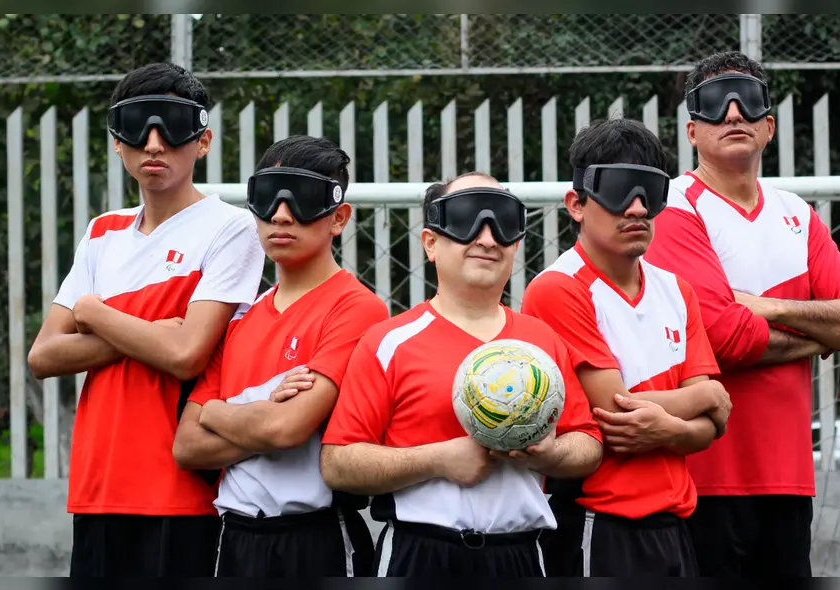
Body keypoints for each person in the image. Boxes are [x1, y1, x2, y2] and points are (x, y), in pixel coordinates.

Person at [643, 51, 840, 577]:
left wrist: (768, 306)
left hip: (790, 480)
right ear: (691, 130)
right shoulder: (674, 209)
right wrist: (824, 334)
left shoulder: (797, 213)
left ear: (768, 125)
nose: (733, 114)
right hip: (703, 479)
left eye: (748, 101)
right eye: (714, 103)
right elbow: (724, 338)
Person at [26, 62, 265, 577]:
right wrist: (150, 329)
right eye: (138, 128)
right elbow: (44, 356)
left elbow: (186, 356)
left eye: (173, 128)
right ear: (117, 143)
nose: (154, 143)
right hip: (97, 484)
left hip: (180, 489)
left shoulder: (231, 227)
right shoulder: (102, 231)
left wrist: (93, 315)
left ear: (202, 141)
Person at [318, 172, 604, 577]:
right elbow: (338, 464)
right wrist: (438, 459)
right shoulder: (388, 342)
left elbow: (589, 444)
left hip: (519, 556)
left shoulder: (542, 343)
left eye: (503, 224)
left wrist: (551, 453)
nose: (487, 239)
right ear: (430, 243)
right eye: (467, 217)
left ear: (516, 246)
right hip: (418, 555)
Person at [520, 117, 731, 577]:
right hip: (599, 525)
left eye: (649, 193)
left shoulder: (678, 290)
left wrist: (681, 423)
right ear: (576, 204)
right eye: (619, 191)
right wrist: (706, 397)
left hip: (676, 525)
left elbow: (712, 430)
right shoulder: (557, 288)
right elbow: (617, 413)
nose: (636, 208)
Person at [171, 135, 388, 577]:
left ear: (339, 217)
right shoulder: (239, 318)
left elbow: (288, 429)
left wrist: (216, 411)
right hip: (234, 539)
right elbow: (188, 446)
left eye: (304, 197)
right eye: (268, 197)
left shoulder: (357, 307)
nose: (282, 214)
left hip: (318, 539)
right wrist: (265, 413)